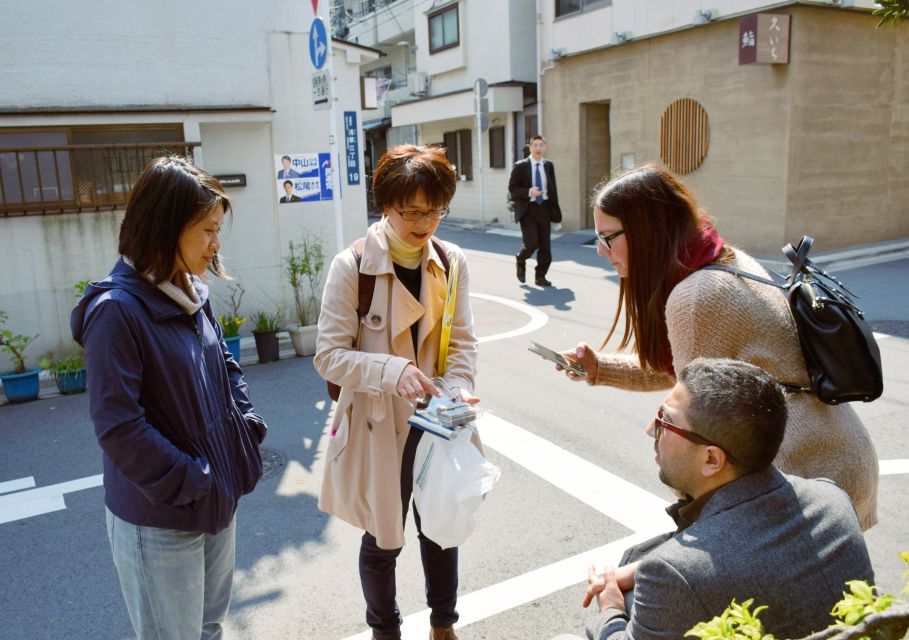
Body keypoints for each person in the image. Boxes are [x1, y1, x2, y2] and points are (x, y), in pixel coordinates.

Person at [558, 163, 878, 530]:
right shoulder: (720, 259)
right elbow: (687, 372)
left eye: (607, 237)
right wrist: (599, 367)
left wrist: (692, 529)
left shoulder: (695, 296)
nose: (600, 251)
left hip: (801, 474)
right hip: (834, 454)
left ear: (647, 231)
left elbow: (696, 435)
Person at [71, 156, 267, 639]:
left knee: (209, 628)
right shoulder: (116, 312)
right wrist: (193, 479)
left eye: (218, 229)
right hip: (161, 518)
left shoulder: (191, 292)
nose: (216, 244)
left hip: (214, 498)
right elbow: (119, 428)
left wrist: (246, 426)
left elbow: (226, 366)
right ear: (165, 227)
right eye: (206, 230)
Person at [555, 358, 874, 640]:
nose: (651, 429)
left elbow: (691, 572)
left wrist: (610, 607)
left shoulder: (673, 575)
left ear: (711, 460)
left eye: (664, 420)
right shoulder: (831, 498)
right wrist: (642, 568)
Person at [315, 144, 479, 640]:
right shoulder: (353, 266)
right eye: (412, 211)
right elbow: (328, 355)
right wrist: (392, 371)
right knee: (383, 539)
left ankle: (443, 623)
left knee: (441, 528)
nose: (425, 223)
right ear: (385, 205)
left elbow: (465, 342)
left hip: (436, 420)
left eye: (435, 210)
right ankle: (385, 629)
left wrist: (457, 389)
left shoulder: (451, 262)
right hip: (379, 423)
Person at [508, 134, 562, 287]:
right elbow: (512, 189)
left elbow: (553, 190)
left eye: (541, 145)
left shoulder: (548, 166)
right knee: (532, 243)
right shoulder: (521, 166)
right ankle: (521, 259)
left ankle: (540, 277)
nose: (538, 148)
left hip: (544, 208)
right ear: (530, 148)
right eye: (535, 145)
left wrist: (557, 217)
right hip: (528, 209)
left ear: (545, 147)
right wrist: (529, 192)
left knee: (545, 246)